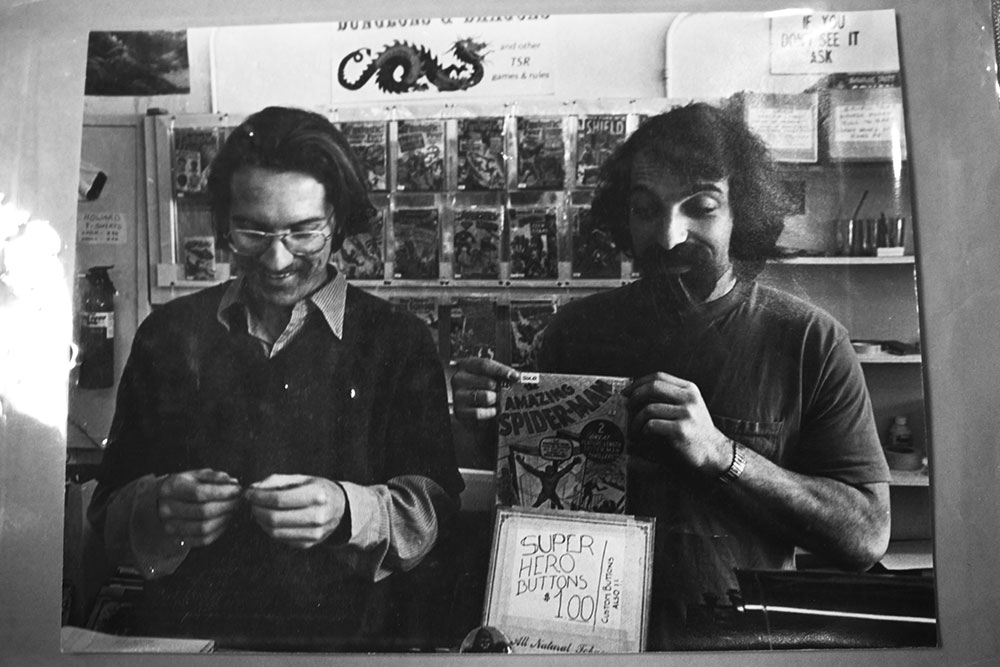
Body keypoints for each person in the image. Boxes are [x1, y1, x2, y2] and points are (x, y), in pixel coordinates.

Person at [452, 103, 891, 649]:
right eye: (645, 209)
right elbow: (531, 496)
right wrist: (484, 421)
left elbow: (866, 536)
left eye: (701, 207)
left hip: (738, 654)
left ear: (743, 213)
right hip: (586, 647)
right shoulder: (573, 333)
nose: (668, 235)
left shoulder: (810, 341)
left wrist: (724, 455)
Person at [87, 106, 463, 650]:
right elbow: (106, 511)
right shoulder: (166, 335)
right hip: (190, 644)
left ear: (338, 221)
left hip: (352, 648)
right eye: (253, 231)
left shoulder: (398, 341)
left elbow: (435, 513)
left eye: (304, 233)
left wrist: (348, 512)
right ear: (225, 223)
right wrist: (157, 506)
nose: (277, 258)